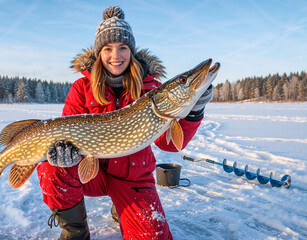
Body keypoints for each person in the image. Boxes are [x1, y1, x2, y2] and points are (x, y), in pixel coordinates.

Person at [37, 6, 213, 240]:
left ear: (132, 51)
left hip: (133, 180)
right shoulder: (82, 89)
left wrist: (194, 109)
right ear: (99, 53)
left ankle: (122, 206)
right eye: (108, 49)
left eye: (123, 48)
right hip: (93, 173)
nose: (116, 56)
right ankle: (75, 231)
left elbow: (170, 145)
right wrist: (63, 152)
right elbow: (66, 133)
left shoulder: (150, 89)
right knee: (52, 169)